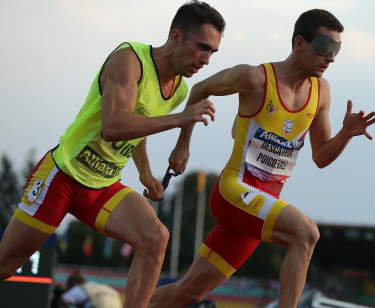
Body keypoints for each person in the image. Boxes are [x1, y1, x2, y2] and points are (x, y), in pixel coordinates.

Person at [148, 9, 375, 308]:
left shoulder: (321, 92)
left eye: (337, 51)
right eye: (324, 48)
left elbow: (321, 157)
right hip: (234, 192)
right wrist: (183, 144)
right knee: (306, 234)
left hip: (258, 207)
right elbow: (200, 88)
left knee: (189, 292)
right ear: (300, 43)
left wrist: (345, 134)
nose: (331, 58)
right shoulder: (254, 78)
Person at [0, 1, 225, 307]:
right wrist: (178, 120)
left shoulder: (180, 90)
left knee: (155, 239)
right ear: (175, 38)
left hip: (103, 186)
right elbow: (115, 126)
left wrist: (144, 171)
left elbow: (139, 122)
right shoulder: (129, 60)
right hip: (62, 177)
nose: (206, 59)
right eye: (202, 47)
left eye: (213, 52)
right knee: (5, 266)